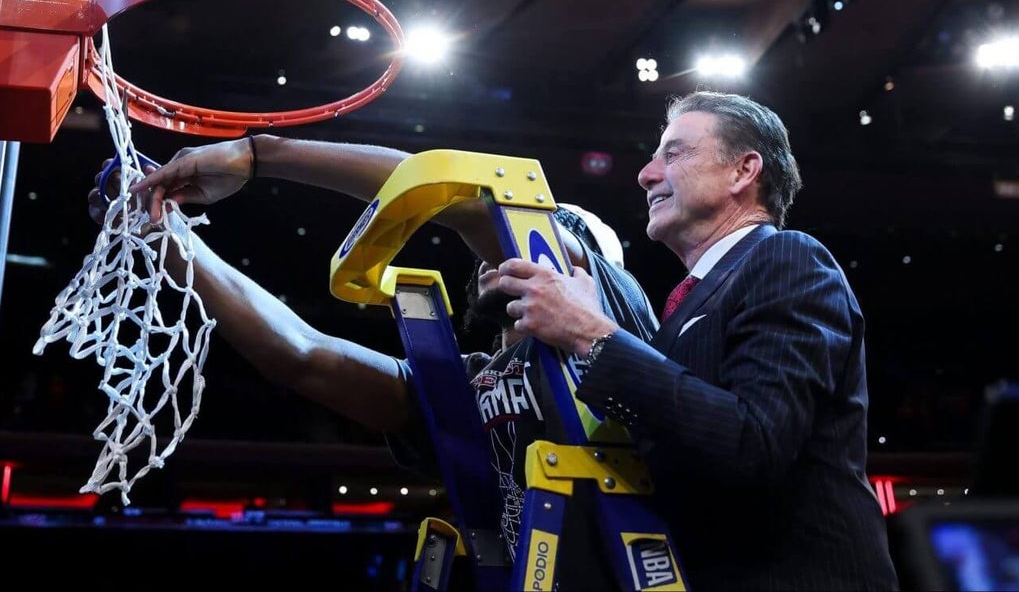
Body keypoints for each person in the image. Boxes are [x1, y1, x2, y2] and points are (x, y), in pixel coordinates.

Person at [98, 134, 660, 588]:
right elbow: (303, 355)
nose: (502, 250)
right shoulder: (469, 382)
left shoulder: (620, 322)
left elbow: (460, 201)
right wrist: (167, 237)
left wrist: (258, 153)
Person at [494, 90, 899, 590]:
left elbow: (757, 442)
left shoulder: (787, 258)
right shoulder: (685, 308)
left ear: (742, 171)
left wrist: (590, 333)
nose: (646, 174)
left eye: (675, 152)